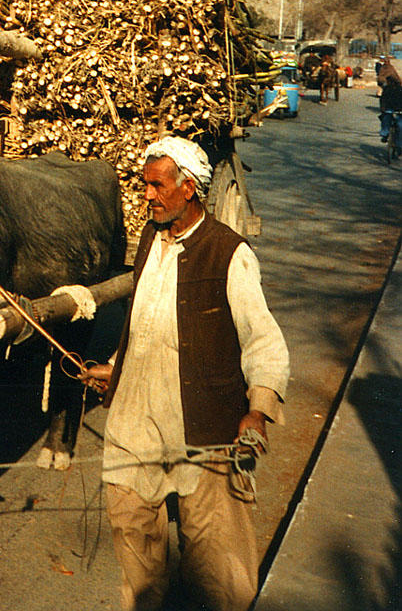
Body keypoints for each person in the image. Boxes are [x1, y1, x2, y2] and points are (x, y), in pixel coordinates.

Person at [82, 136, 289, 611]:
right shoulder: (150, 243)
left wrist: (258, 410)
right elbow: (142, 324)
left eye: (156, 186)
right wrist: (114, 370)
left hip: (203, 428)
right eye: (144, 186)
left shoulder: (228, 253)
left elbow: (263, 339)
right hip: (135, 425)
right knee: (136, 549)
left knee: (218, 567)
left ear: (189, 187)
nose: (147, 196)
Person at [379, 75, 402, 150]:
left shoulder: (400, 90)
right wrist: (382, 107)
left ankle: (399, 145)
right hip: (389, 109)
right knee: (386, 119)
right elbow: (382, 99)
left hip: (399, 111)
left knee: (400, 125)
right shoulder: (386, 89)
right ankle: (384, 134)